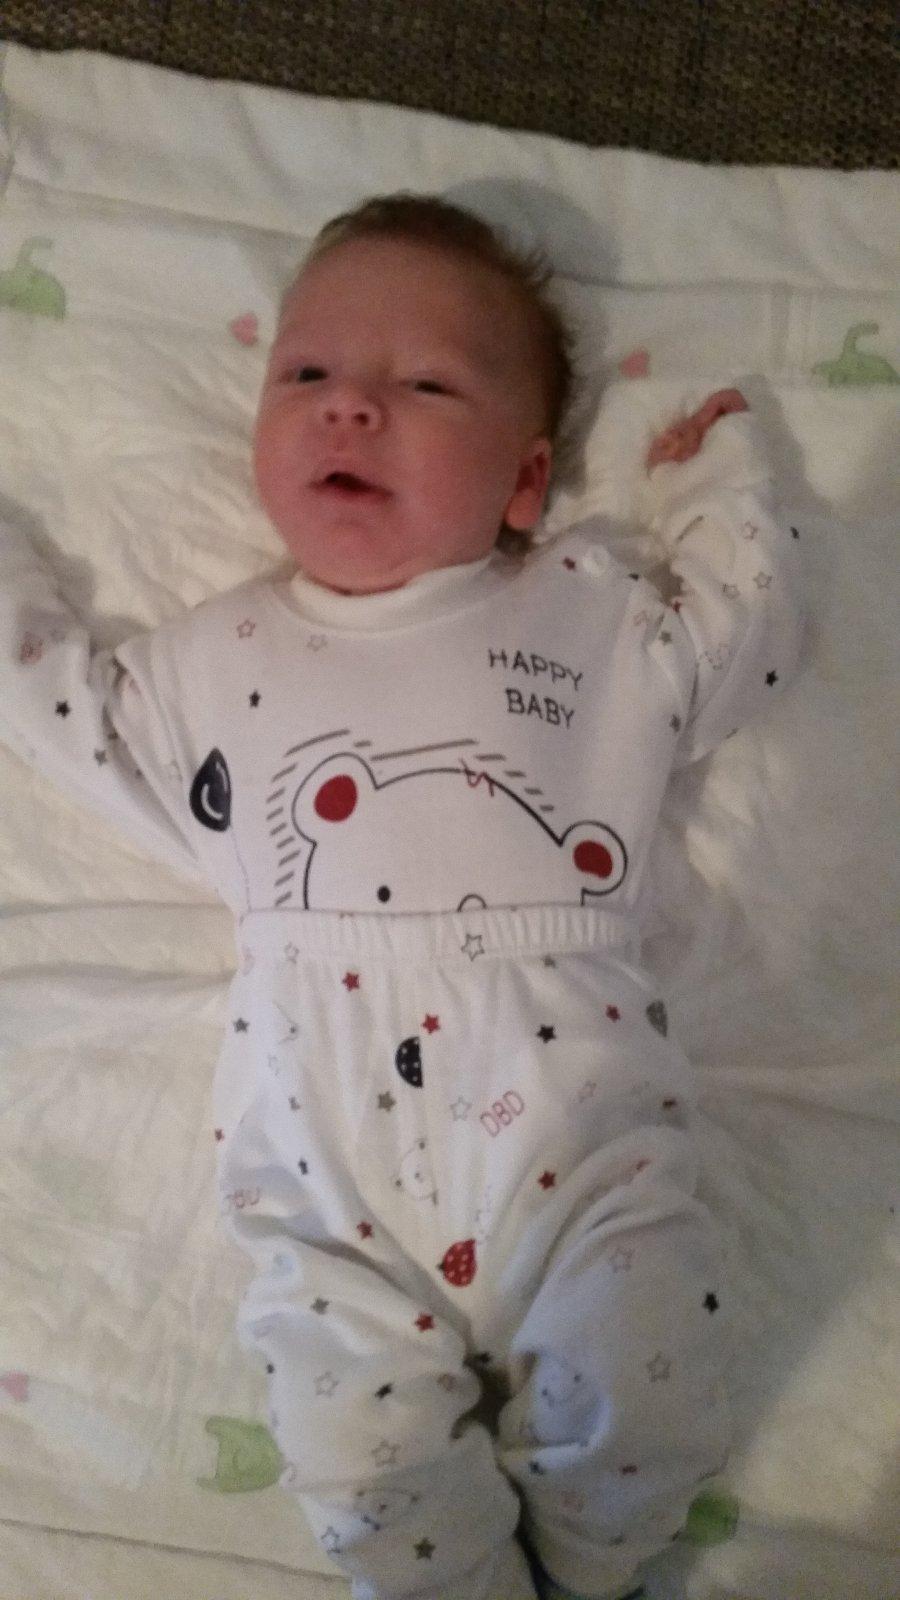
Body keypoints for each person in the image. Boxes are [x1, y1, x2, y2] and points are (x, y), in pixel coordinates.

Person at [0, 192, 803, 1600]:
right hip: (325, 1168)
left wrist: (721, 482)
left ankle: (598, 1566)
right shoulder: (208, 663)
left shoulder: (588, 613)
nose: (350, 406)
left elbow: (747, 632)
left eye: (424, 386)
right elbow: (52, 706)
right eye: (307, 372)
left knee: (644, 1381)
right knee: (358, 1461)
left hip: (576, 1125)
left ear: (525, 480)